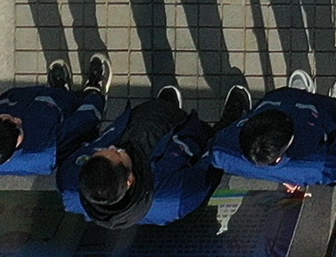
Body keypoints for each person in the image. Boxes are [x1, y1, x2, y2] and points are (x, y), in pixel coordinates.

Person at [64, 85, 221, 229]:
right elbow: (209, 169)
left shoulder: (70, 184)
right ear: (129, 180)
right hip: (185, 137)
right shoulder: (176, 197)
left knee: (158, 111)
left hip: (142, 122)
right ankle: (225, 121)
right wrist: (218, 141)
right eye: (117, 153)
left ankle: (164, 105)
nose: (112, 147)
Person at [0, 57, 107, 180]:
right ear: (10, 157)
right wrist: (95, 98)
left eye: (2, 119)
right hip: (51, 108)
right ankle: (90, 87)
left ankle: (58, 89)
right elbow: (83, 120)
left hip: (25, 100)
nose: (17, 120)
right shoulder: (47, 146)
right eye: (18, 128)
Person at [214, 68, 336, 191]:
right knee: (333, 118)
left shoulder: (221, 153)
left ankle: (298, 94)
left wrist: (285, 176)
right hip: (318, 113)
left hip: (281, 99)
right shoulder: (318, 166)